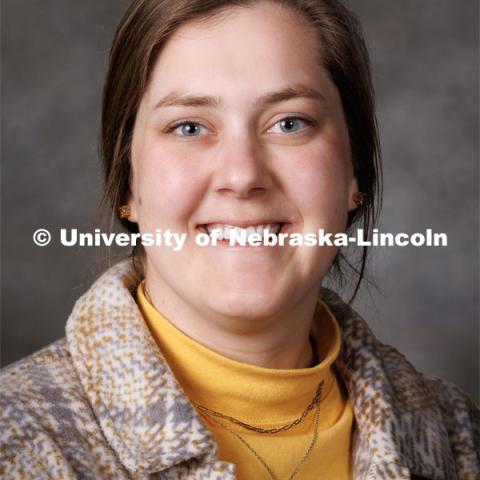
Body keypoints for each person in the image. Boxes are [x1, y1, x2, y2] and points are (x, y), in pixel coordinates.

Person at [1, 0, 478, 479]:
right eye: (189, 127)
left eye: (289, 123)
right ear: (128, 183)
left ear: (354, 171)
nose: (242, 175)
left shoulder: (460, 439)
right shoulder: (14, 443)